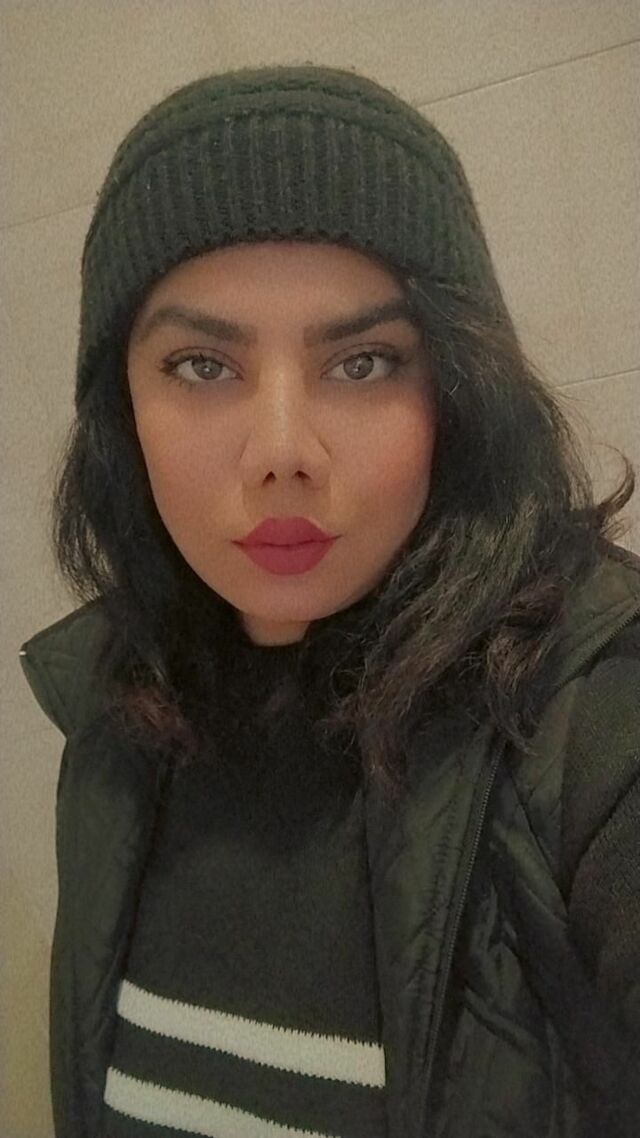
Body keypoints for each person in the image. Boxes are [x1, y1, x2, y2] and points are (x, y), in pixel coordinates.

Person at [18, 63, 640, 1138]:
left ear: (455, 389)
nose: (282, 452)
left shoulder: (591, 716)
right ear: (122, 406)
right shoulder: (112, 719)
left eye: (362, 362)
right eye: (201, 365)